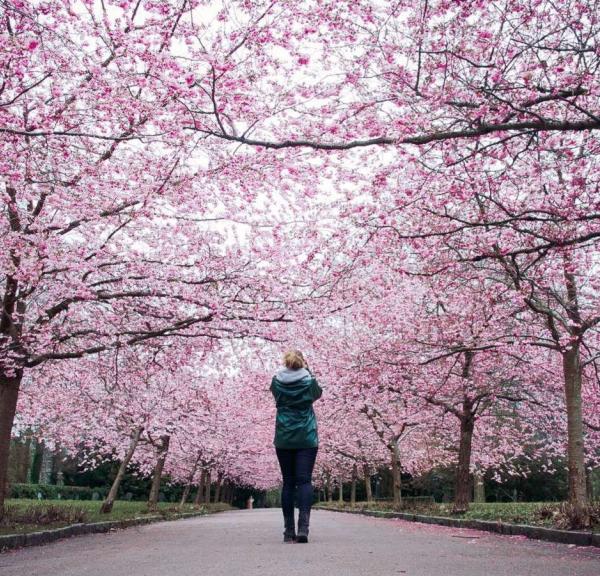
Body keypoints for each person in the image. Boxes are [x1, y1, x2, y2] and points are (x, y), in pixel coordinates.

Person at [270, 350, 323, 543]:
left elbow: (275, 394)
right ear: (303, 363)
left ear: (285, 363)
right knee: (304, 482)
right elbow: (318, 394)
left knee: (288, 483)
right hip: (306, 437)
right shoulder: (309, 382)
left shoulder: (276, 381)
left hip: (284, 437)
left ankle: (288, 531)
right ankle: (303, 529)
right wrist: (310, 372)